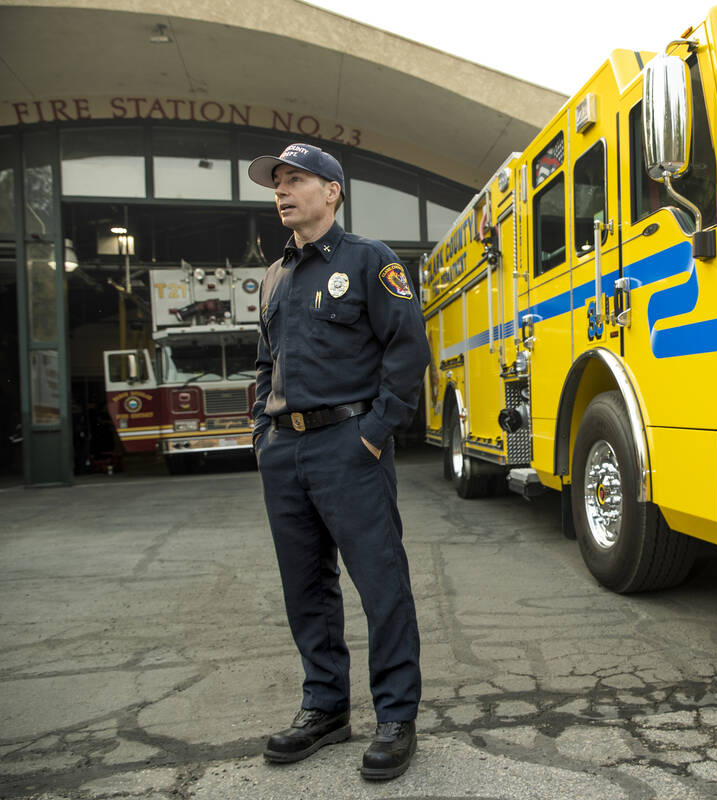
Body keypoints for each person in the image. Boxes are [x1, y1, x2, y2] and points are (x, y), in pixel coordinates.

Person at [247, 142, 429, 781]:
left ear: (332, 191)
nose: (282, 191)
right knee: (306, 589)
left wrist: (374, 435)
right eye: (277, 183)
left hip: (349, 446)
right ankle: (325, 709)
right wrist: (260, 435)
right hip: (285, 449)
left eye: (296, 180)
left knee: (381, 584)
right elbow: (265, 363)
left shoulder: (370, 261)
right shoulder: (273, 276)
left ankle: (396, 717)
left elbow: (407, 352)